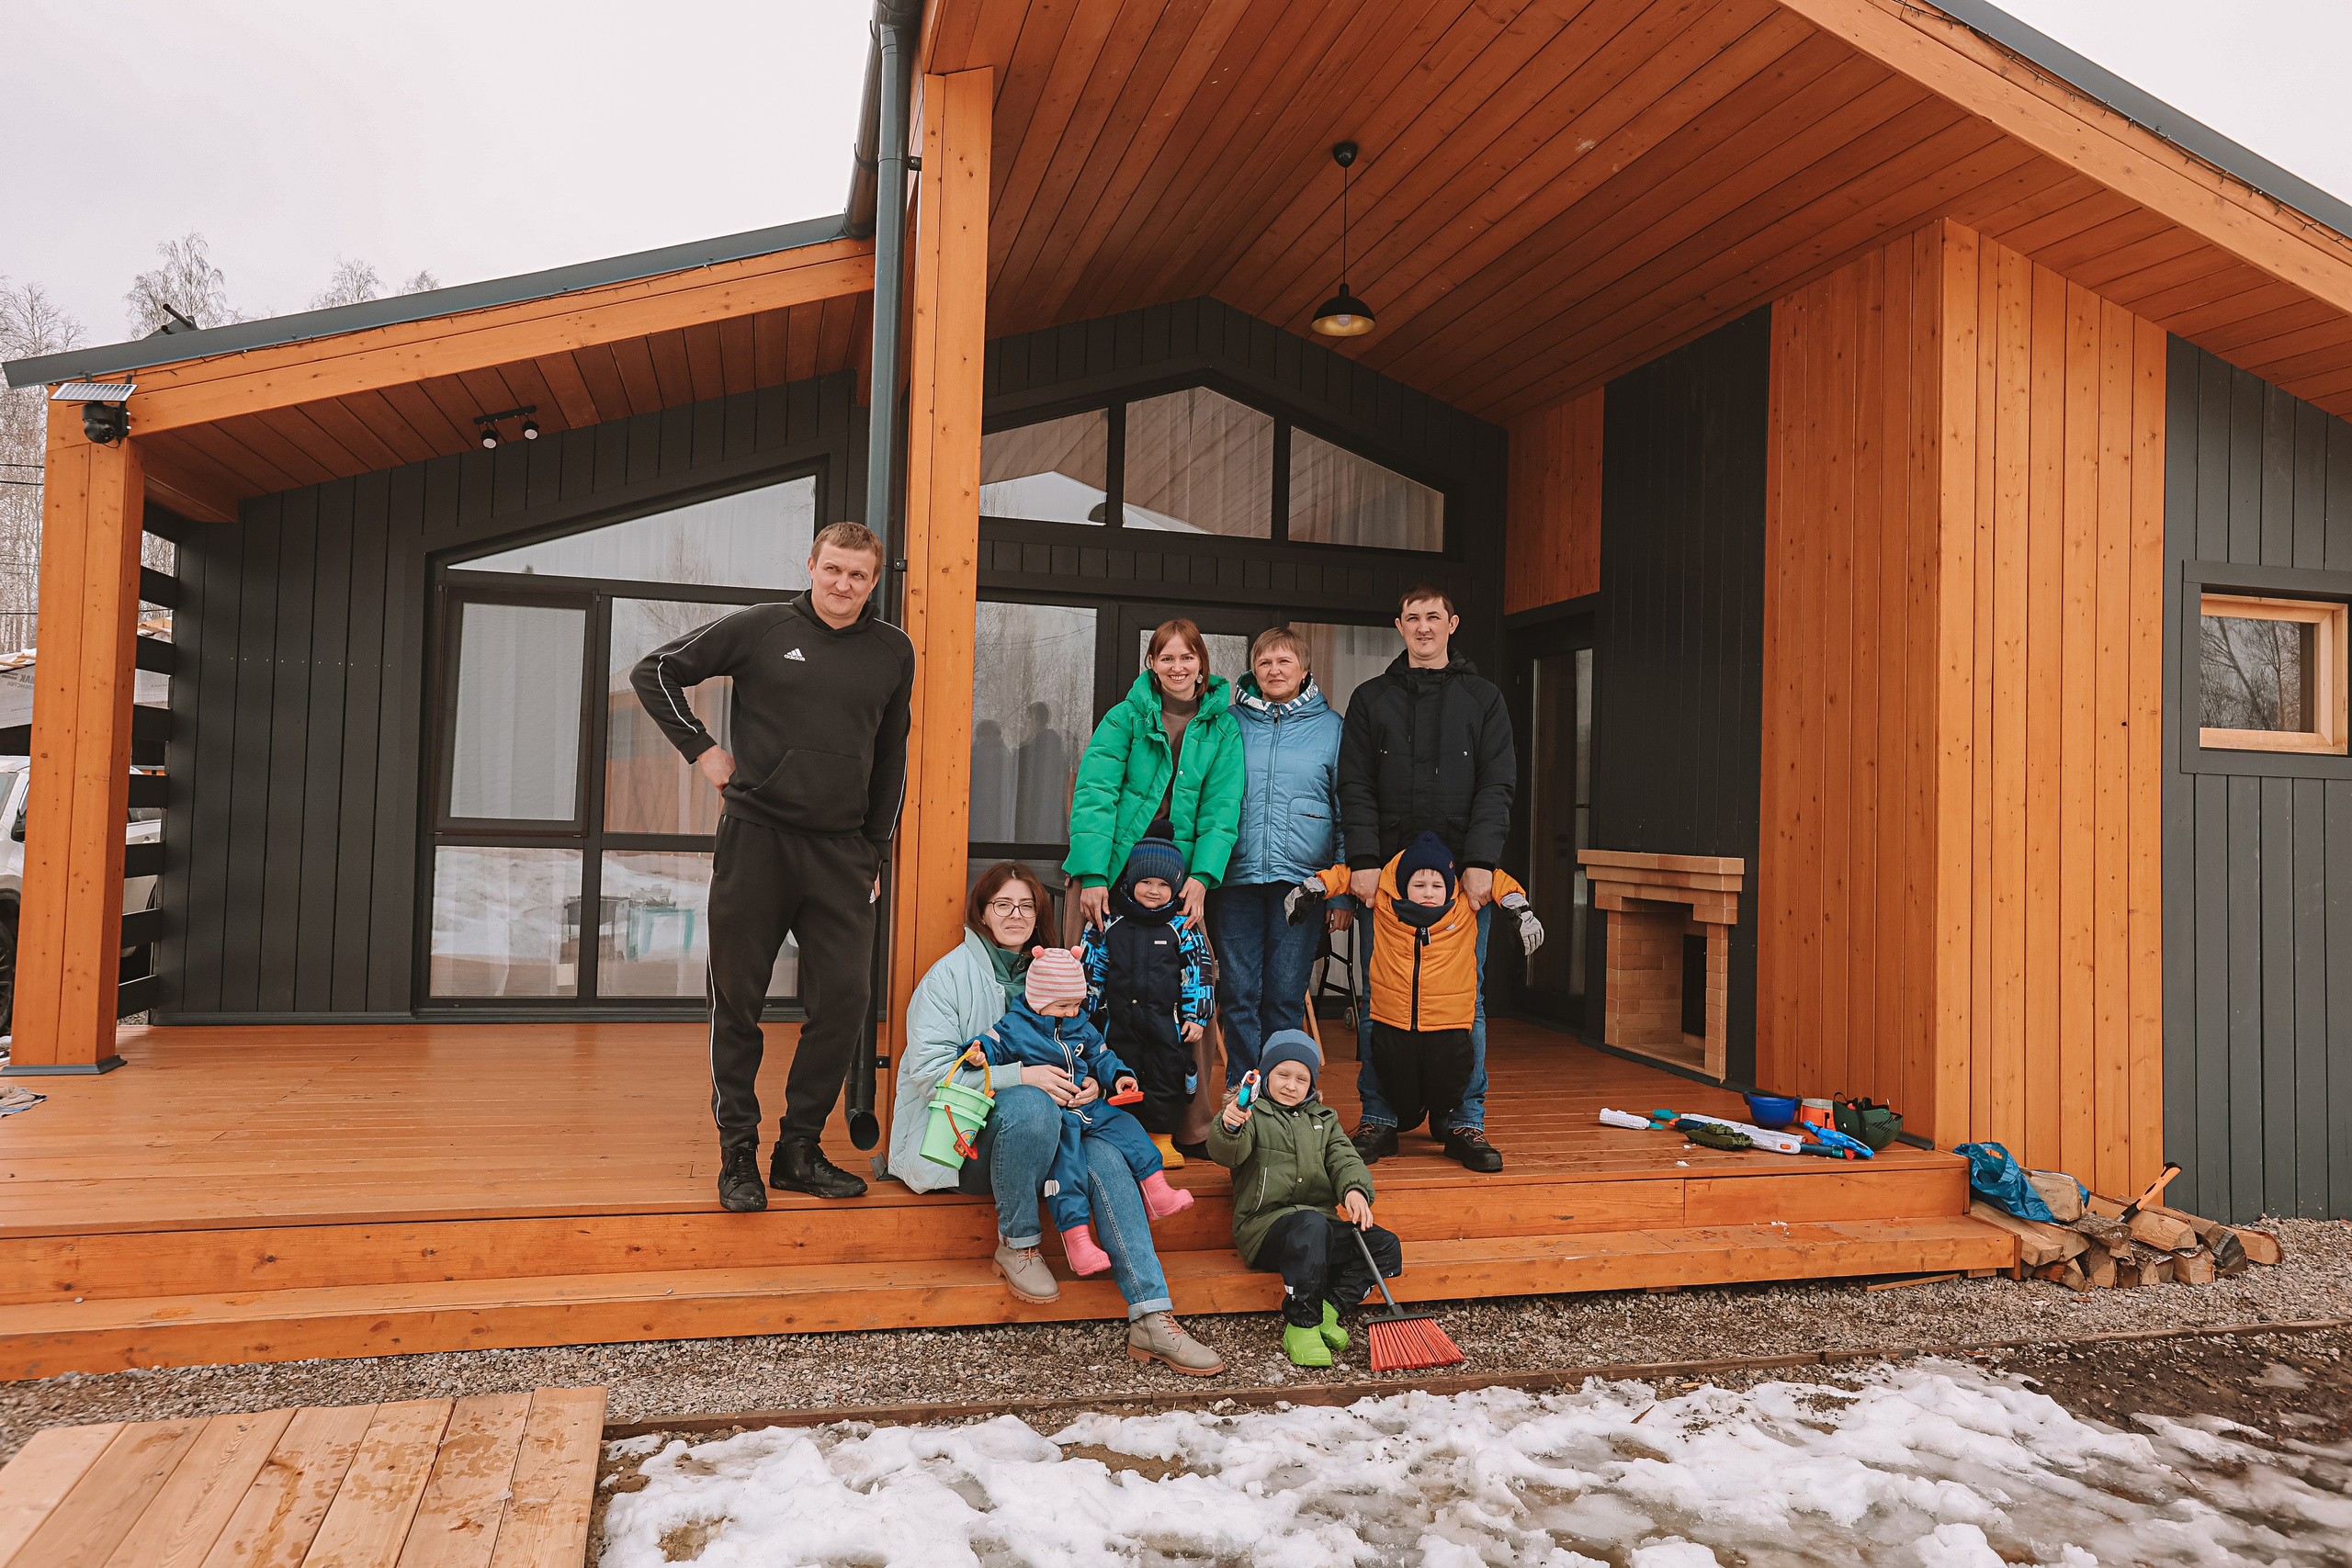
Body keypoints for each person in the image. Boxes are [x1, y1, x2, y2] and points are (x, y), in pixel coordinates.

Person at [632, 521, 913, 1211]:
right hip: (757, 840)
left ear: (874, 581)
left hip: (842, 852)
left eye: (858, 575)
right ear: (812, 565)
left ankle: (799, 1149)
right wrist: (701, 749)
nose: (843, 584)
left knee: (846, 999)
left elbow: (892, 756)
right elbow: (656, 671)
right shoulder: (761, 628)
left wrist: (874, 848)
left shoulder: (893, 652)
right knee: (738, 1000)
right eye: (834, 569)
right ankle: (738, 1154)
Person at [887, 863, 1226, 1376]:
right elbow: (930, 1075)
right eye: (1003, 904)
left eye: (1026, 905)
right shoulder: (948, 977)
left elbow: (1087, 1045)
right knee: (1033, 1105)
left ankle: (1152, 1314)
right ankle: (1018, 1245)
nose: (1016, 915)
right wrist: (1022, 1076)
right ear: (982, 912)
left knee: (1110, 1158)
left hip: (1063, 1133)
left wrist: (1092, 1081)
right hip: (968, 1144)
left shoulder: (1059, 972)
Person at [1337, 585, 1516, 1173]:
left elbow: (1497, 785)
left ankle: (1464, 1121)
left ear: (1452, 624)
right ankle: (1380, 1118)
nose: (1422, 627)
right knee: (1378, 997)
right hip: (1385, 882)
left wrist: (1482, 862)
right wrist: (1362, 858)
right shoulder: (1371, 699)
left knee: (1469, 1001)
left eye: (1433, 618)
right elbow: (1355, 785)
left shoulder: (1483, 699)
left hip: (1463, 886)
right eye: (1412, 618)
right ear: (1399, 625)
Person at [1290, 833, 1543, 1164]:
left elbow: (1495, 882)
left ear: (1449, 887)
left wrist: (1518, 906)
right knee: (1397, 1086)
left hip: (1449, 1027)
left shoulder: (1463, 905)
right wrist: (1314, 888)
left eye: (1437, 886)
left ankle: (1458, 1125)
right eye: (1419, 885)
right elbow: (1347, 877)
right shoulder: (1382, 901)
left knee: (1450, 1077)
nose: (1428, 893)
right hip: (1393, 1024)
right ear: (1401, 886)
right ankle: (1386, 1123)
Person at [966, 944, 1194, 1275]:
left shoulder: (1081, 1025)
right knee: (1067, 1171)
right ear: (1038, 1001)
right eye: (1064, 1006)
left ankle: (1157, 1189)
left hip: (1089, 1106)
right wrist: (977, 1053)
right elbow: (990, 1044)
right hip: (1057, 1120)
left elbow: (1102, 1056)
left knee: (1128, 1127)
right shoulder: (1016, 1026)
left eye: (1076, 1004)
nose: (1072, 1012)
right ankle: (1078, 1243)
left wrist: (1118, 1078)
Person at [1205, 1031, 1402, 1369]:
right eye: (1282, 1074)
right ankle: (1302, 1323)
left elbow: (1345, 1159)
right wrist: (1229, 1124)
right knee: (1310, 1224)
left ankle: (1329, 1310)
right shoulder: (1252, 1114)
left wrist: (1354, 1189)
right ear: (1266, 1075)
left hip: (1317, 1231)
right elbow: (1227, 1153)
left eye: (1301, 1078)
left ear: (1311, 1085)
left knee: (1385, 1245)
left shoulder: (1324, 1121)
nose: (1290, 1085)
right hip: (1267, 1229)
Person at [1214, 626, 1351, 1090]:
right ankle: (1241, 1088)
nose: (1274, 670)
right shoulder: (1228, 721)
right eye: (1265, 662)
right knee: (1237, 993)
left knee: (1286, 994)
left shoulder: (1332, 727)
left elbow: (1345, 809)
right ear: (1253, 669)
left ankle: (1283, 1091)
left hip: (1305, 884)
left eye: (1284, 662)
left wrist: (1341, 894)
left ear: (1304, 670)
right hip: (1236, 877)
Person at [1065, 618, 1242, 932]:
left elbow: (1221, 809)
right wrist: (1093, 873)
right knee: (1094, 966)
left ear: (1201, 663)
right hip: (1115, 862)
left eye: (1187, 657)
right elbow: (1095, 794)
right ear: (1152, 663)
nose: (1178, 667)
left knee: (1179, 972)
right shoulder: (1125, 717)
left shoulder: (1223, 728)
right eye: (1167, 658)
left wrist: (1202, 876)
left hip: (1179, 872)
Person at [1077, 826, 1213, 1167]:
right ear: (1131, 882)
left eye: (1164, 885)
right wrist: (1085, 1009)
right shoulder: (1110, 922)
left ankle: (1161, 1138)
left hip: (1166, 1024)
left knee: (1166, 1075)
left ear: (1176, 889)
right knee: (1122, 1073)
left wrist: (1196, 1014)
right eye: (1146, 882)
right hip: (1119, 1021)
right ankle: (1124, 1136)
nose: (1154, 891)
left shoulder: (1181, 926)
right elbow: (1092, 964)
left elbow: (1199, 969)